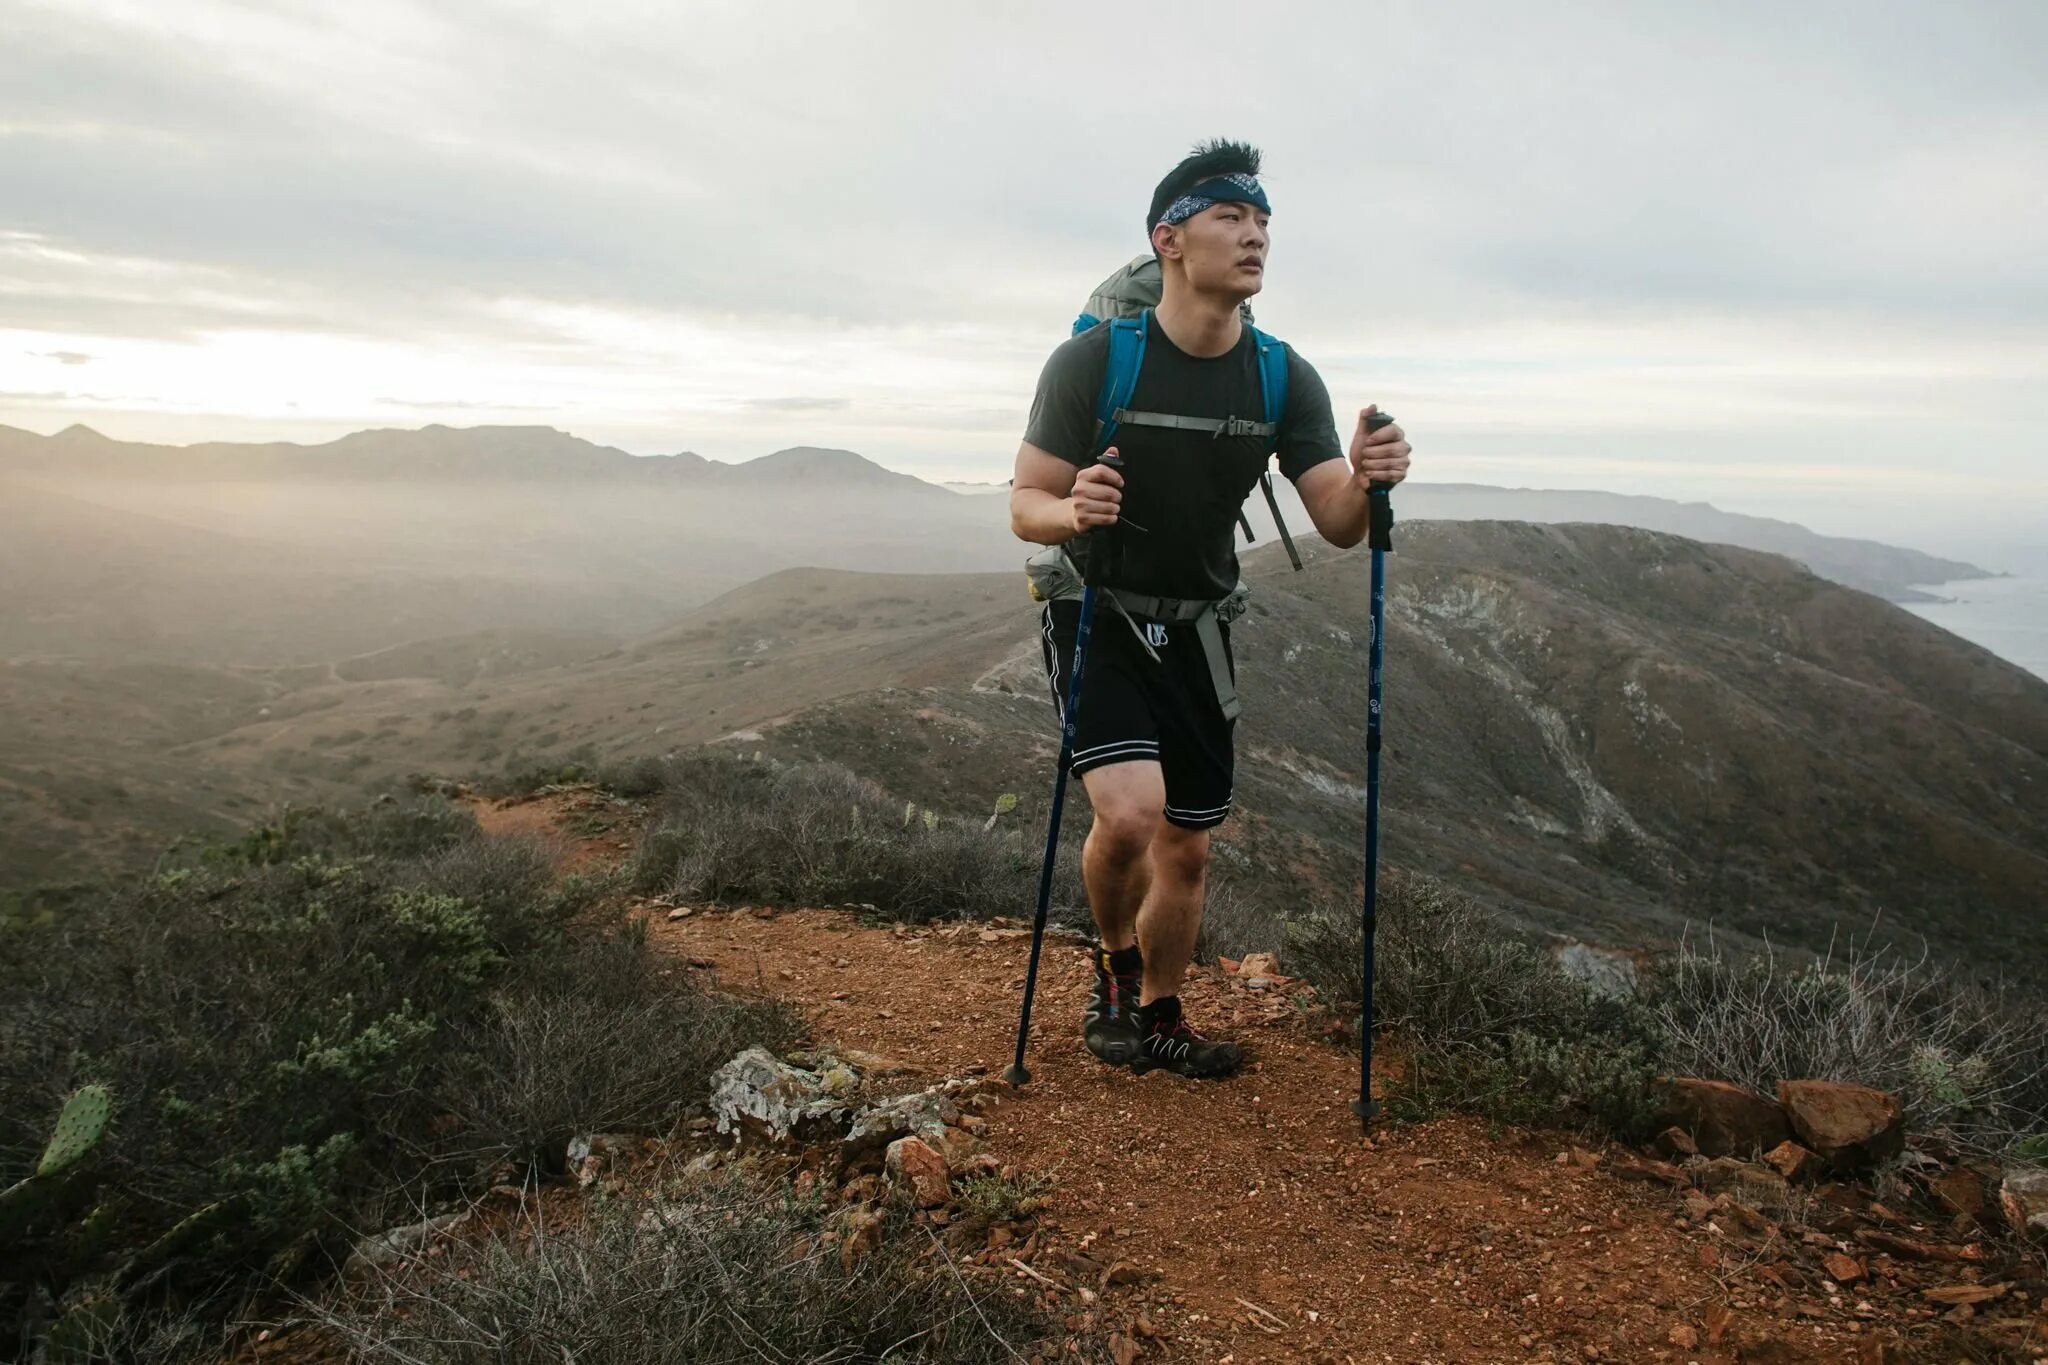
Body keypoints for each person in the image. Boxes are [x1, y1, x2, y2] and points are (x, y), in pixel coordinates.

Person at [1008, 138, 1414, 1078]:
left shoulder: (1281, 377)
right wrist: (1071, 512)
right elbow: (1025, 503)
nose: (1255, 236)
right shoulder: (1092, 363)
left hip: (1200, 621)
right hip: (1097, 605)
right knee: (1132, 816)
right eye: (1231, 218)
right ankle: (1113, 972)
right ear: (1170, 241)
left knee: (1187, 848)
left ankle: (1159, 1012)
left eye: (1264, 221)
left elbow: (1339, 523)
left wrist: (1368, 477)